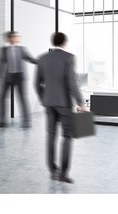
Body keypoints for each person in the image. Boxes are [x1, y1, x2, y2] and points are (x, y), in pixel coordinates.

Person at [35, 32, 86, 184]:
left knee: (51, 136)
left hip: (49, 103)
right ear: (65, 42)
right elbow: (72, 82)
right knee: (67, 136)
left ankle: (52, 171)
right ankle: (63, 174)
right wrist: (81, 102)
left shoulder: (42, 58)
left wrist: (44, 99)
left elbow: (36, 83)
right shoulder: (69, 57)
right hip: (64, 103)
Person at [0, 31, 37, 129]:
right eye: (13, 37)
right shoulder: (3, 50)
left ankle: (26, 121)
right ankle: (2, 122)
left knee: (23, 99)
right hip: (8, 76)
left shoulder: (22, 49)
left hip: (19, 77)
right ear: (8, 39)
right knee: (2, 99)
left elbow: (31, 59)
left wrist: (43, 62)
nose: (15, 38)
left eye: (16, 36)